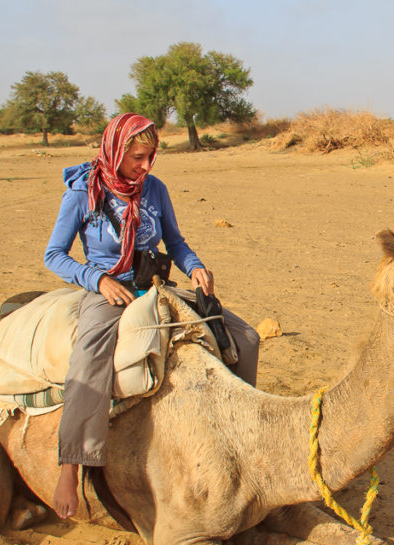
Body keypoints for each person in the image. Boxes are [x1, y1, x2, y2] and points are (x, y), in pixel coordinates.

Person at [43, 113, 259, 519]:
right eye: (138, 157)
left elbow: (175, 242)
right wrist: (97, 279)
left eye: (150, 157)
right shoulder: (82, 193)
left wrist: (194, 266)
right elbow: (54, 255)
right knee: (89, 361)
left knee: (244, 338)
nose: (145, 166)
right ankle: (71, 466)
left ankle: (237, 439)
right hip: (108, 290)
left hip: (154, 285)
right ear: (116, 150)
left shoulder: (154, 190)